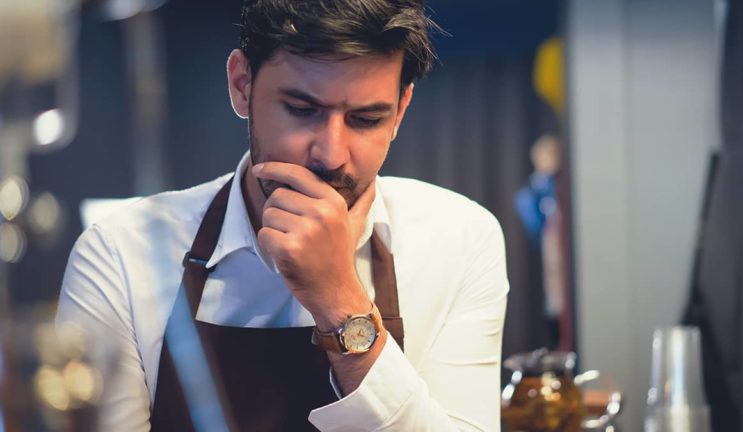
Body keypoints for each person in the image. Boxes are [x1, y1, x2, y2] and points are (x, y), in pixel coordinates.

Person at [56, 0, 509, 430]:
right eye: (302, 110)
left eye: (366, 119)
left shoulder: (461, 239)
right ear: (242, 85)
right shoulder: (120, 252)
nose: (331, 155)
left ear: (400, 111)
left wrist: (340, 300)